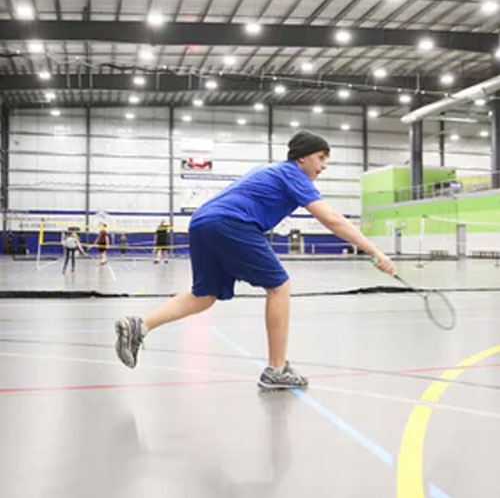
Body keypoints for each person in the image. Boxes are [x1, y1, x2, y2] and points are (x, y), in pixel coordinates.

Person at [114, 130, 395, 390]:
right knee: (279, 286)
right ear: (302, 157)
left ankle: (140, 324)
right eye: (321, 158)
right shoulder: (293, 174)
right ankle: (276, 369)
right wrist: (375, 252)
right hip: (231, 222)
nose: (324, 166)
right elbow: (332, 219)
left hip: (202, 222)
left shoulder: (270, 170)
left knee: (204, 296)